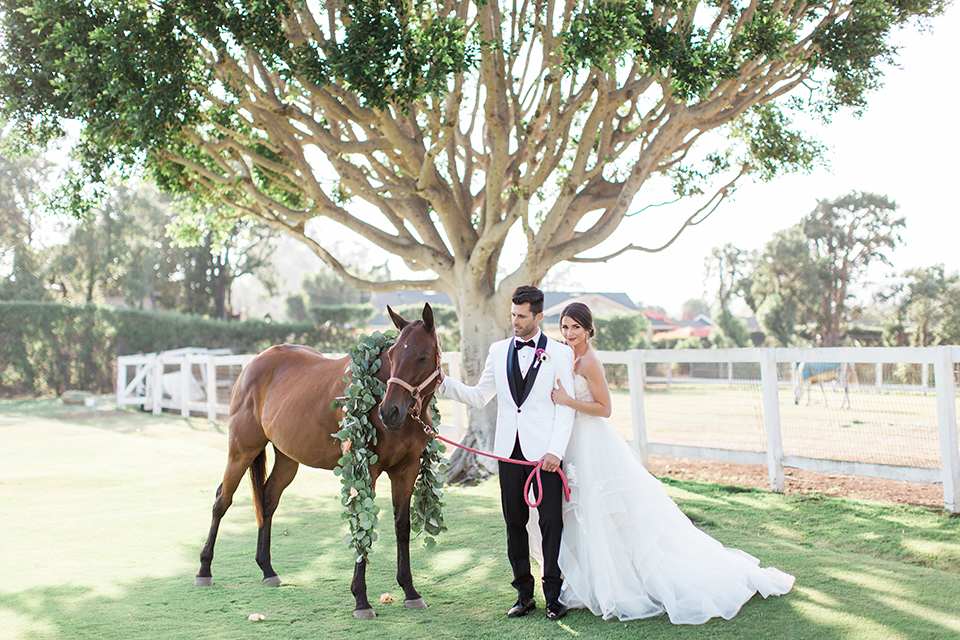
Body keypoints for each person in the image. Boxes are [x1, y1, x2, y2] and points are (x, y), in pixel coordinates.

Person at [529, 302, 795, 624]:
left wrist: (569, 401)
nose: (570, 333)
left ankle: (627, 582)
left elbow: (604, 408)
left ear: (588, 329)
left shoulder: (590, 362)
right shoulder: (563, 355)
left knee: (609, 513)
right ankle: (597, 580)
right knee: (581, 515)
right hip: (571, 444)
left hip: (593, 442)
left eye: (576, 327)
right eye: (566, 327)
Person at [437, 285, 576, 621]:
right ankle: (523, 595)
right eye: (512, 315)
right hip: (509, 452)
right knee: (514, 523)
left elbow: (565, 409)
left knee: (551, 523)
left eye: (522, 316)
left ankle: (554, 596)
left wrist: (555, 451)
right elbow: (479, 395)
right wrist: (440, 381)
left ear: (539, 316)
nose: (515, 321)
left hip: (544, 455)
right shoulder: (497, 350)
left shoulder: (559, 354)